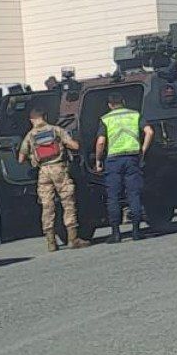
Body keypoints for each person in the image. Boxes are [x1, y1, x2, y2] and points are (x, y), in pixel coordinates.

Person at [18, 106, 90, 251]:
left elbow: (20, 159)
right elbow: (74, 146)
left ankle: (51, 242)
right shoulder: (56, 130)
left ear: (32, 120)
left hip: (43, 172)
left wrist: (32, 157)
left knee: (47, 205)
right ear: (45, 117)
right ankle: (73, 238)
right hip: (59, 169)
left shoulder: (30, 135)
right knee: (68, 202)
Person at [94, 93, 154, 242]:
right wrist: (143, 150)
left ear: (109, 105)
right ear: (124, 102)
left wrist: (98, 160)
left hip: (113, 160)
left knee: (113, 197)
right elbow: (149, 132)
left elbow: (101, 142)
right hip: (132, 158)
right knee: (134, 194)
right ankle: (136, 232)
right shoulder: (134, 115)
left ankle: (116, 233)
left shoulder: (105, 119)